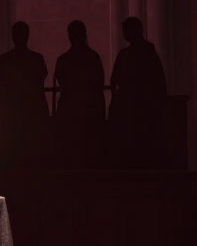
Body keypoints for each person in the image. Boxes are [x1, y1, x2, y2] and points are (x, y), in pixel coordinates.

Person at [108, 16, 167, 162]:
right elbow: (159, 80)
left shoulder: (127, 54)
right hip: (143, 105)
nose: (123, 33)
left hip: (132, 105)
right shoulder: (147, 52)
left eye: (125, 30)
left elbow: (115, 79)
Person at [53, 20, 106, 166]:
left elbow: (60, 80)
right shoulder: (93, 57)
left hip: (69, 109)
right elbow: (99, 82)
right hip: (90, 109)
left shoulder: (64, 59)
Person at [0, 22, 48, 168]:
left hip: (11, 112)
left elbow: (2, 82)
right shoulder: (36, 59)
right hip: (32, 111)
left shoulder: (5, 59)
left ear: (13, 36)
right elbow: (41, 79)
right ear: (27, 36)